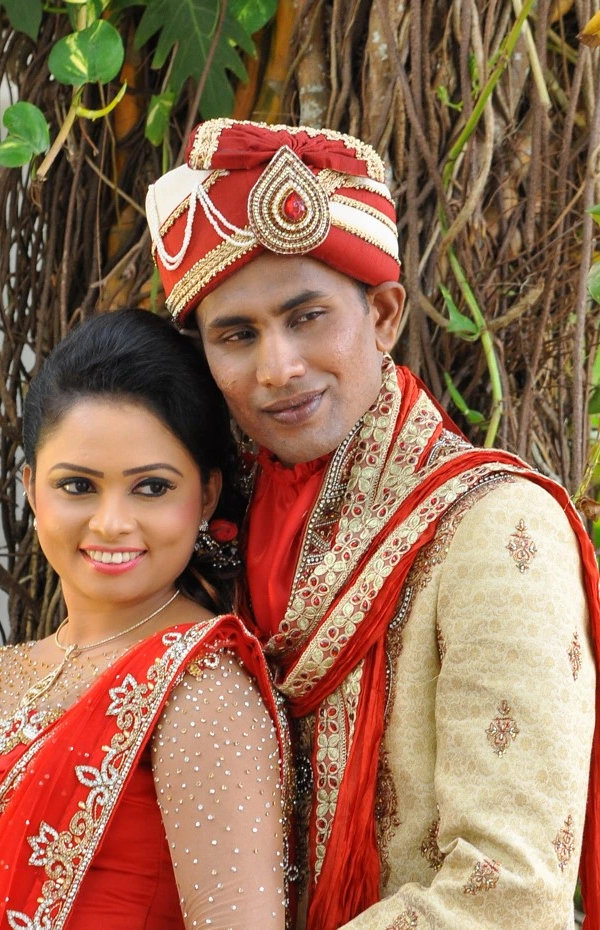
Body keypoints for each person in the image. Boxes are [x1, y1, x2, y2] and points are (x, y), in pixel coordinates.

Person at [145, 119, 600, 930]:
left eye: (307, 316)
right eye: (236, 335)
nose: (276, 368)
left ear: (384, 315)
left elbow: (510, 893)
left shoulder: (492, 530)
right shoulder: (205, 529)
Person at [0, 309, 292, 930]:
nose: (111, 523)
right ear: (31, 488)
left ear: (204, 495)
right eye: (78, 486)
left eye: (151, 488)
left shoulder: (201, 688)